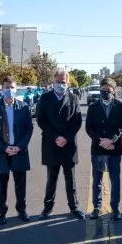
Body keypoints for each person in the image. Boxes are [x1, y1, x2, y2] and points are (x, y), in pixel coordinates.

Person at [38, 67, 86, 220]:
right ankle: (47, 208)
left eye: (63, 82)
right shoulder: (44, 98)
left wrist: (66, 137)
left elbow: (77, 121)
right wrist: (55, 137)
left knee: (70, 178)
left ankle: (74, 207)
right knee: (51, 178)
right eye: (58, 82)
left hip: (68, 144)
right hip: (51, 144)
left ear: (68, 82)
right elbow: (41, 120)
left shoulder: (74, 98)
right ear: (53, 81)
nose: (60, 84)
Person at [0, 75, 34, 224]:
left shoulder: (24, 107)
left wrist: (19, 146)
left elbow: (29, 129)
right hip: (1, 152)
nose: (9, 90)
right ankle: (1, 213)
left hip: (19, 151)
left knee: (21, 184)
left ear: (16, 89)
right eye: (7, 87)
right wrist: (4, 147)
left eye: (12, 87)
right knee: (1, 185)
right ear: (1, 89)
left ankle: (21, 210)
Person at [85, 77, 122, 221]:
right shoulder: (93, 107)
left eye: (108, 90)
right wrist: (100, 141)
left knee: (115, 179)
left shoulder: (121, 106)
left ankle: (115, 208)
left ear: (113, 91)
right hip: (98, 148)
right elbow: (89, 128)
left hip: (114, 148)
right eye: (103, 90)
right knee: (97, 179)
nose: (105, 92)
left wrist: (111, 140)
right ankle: (96, 207)